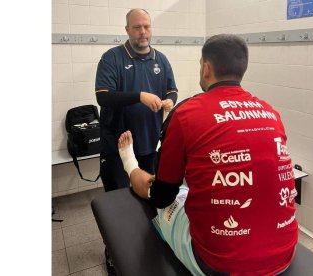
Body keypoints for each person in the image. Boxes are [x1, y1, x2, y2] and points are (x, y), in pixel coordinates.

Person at [119, 34, 298, 275]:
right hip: (285, 251)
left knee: (168, 197)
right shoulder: (271, 113)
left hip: (218, 264)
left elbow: (162, 197)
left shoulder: (187, 114)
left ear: (206, 68)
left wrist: (133, 163)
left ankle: (129, 165)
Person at [94, 8, 178, 275]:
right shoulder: (112, 58)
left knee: (147, 202)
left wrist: (169, 101)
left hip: (148, 146)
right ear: (127, 29)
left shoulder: (161, 59)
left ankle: (144, 252)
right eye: (137, 27)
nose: (143, 32)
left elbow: (172, 89)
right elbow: (103, 97)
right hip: (118, 147)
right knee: (118, 206)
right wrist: (139, 95)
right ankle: (113, 256)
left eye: (147, 27)